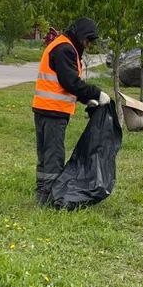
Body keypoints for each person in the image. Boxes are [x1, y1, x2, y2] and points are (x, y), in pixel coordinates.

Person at [32, 17, 109, 205]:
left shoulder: (62, 45)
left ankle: (42, 192)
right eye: (88, 41)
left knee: (45, 154)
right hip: (53, 112)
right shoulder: (65, 49)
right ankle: (51, 198)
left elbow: (64, 84)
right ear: (81, 36)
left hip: (44, 108)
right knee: (53, 155)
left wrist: (85, 98)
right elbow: (70, 82)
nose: (89, 45)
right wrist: (97, 94)